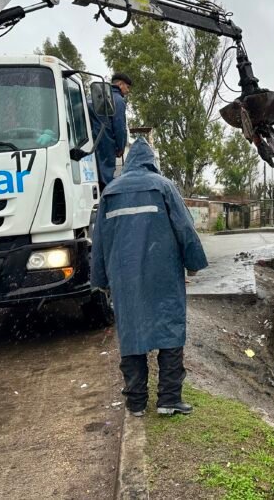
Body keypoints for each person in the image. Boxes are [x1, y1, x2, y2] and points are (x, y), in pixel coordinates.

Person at [91, 137, 208, 417]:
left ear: (129, 162)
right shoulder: (164, 186)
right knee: (169, 329)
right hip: (163, 273)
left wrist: (101, 279)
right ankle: (168, 399)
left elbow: (100, 241)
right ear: (151, 162)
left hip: (125, 277)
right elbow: (185, 228)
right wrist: (194, 262)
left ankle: (136, 402)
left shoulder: (110, 193)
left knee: (131, 335)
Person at [90, 72, 130, 191]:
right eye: (127, 87)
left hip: (89, 145)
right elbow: (119, 126)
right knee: (106, 183)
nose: (128, 91)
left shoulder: (91, 97)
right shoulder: (117, 100)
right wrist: (120, 146)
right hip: (105, 145)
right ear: (120, 84)